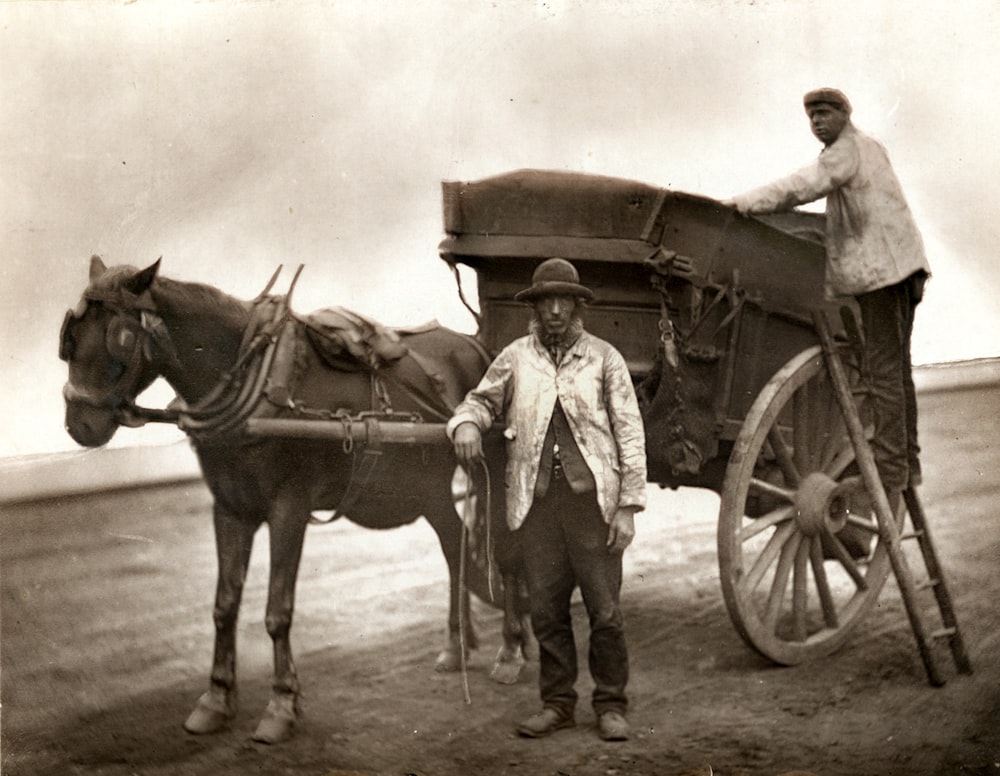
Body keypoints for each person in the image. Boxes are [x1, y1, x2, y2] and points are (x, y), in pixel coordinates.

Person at [447, 257, 647, 742]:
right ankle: (557, 704)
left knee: (604, 611)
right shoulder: (516, 358)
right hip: (535, 507)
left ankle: (610, 705)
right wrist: (468, 423)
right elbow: (481, 399)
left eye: (564, 301)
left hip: (591, 507)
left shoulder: (604, 359)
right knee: (547, 612)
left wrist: (626, 507)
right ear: (534, 308)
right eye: (546, 302)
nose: (555, 310)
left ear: (577, 306)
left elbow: (630, 434)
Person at [722, 87, 931, 507]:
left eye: (824, 113)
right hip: (901, 269)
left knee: (883, 371)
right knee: (896, 370)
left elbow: (802, 186)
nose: (817, 122)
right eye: (811, 116)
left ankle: (891, 469)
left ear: (844, 114)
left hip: (883, 275)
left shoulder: (845, 151)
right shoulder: (867, 148)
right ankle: (907, 463)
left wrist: (742, 204)